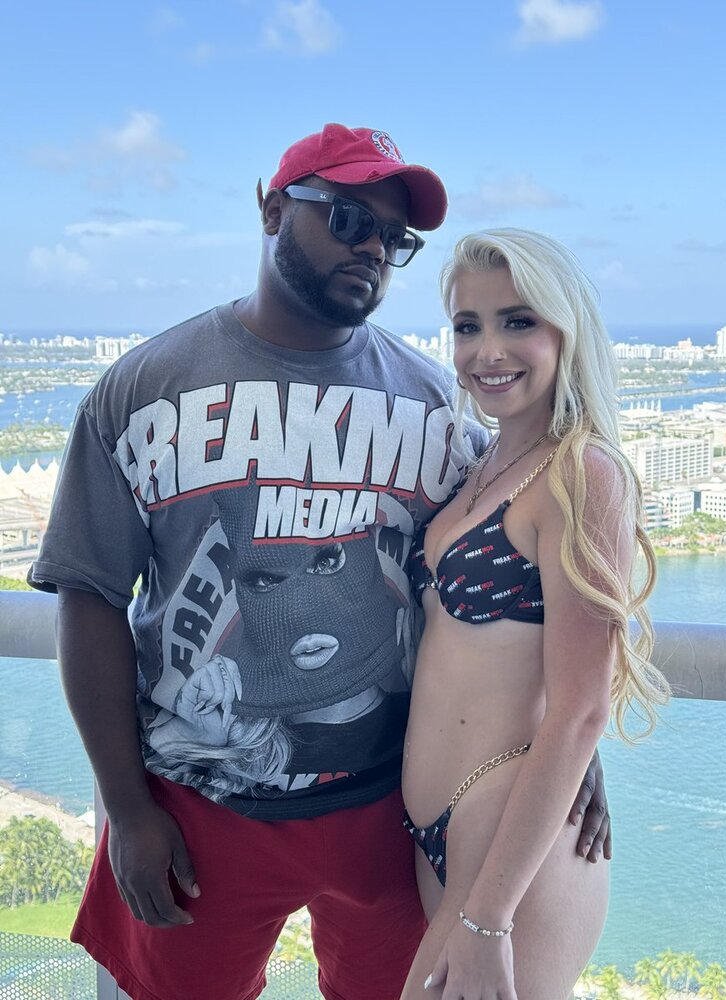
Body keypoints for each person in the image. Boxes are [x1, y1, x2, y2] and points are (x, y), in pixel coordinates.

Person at [29, 126, 611, 1000]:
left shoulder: (436, 407)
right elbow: (90, 597)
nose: (371, 248)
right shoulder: (144, 388)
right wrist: (127, 805)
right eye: (347, 218)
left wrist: (565, 743)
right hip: (197, 802)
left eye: (393, 238)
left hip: (389, 808)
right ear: (272, 209)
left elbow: (492, 594)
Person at [399, 228, 669, 1000]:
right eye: (468, 325)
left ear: (565, 331)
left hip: (511, 840)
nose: (488, 350)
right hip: (444, 832)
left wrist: (488, 920)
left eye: (517, 321)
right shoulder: (481, 463)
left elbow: (581, 710)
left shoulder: (583, 474)